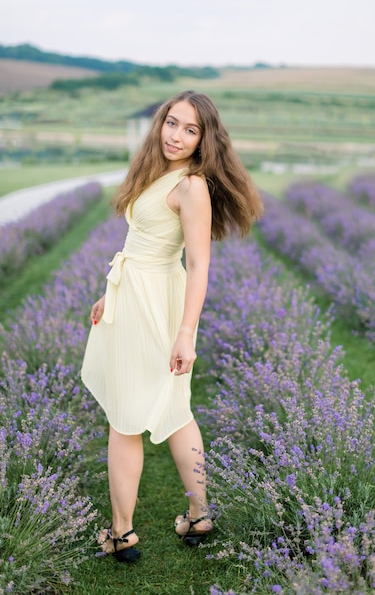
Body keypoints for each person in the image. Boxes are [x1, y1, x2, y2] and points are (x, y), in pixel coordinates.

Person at [81, 89, 263, 563]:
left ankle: (121, 533)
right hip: (134, 293)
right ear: (159, 122)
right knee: (173, 408)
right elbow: (139, 242)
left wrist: (186, 334)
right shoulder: (157, 171)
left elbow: (199, 265)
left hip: (158, 303)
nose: (177, 135)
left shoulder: (192, 185)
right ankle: (198, 514)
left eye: (190, 129)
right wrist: (110, 292)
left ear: (205, 139)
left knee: (129, 418)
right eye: (172, 123)